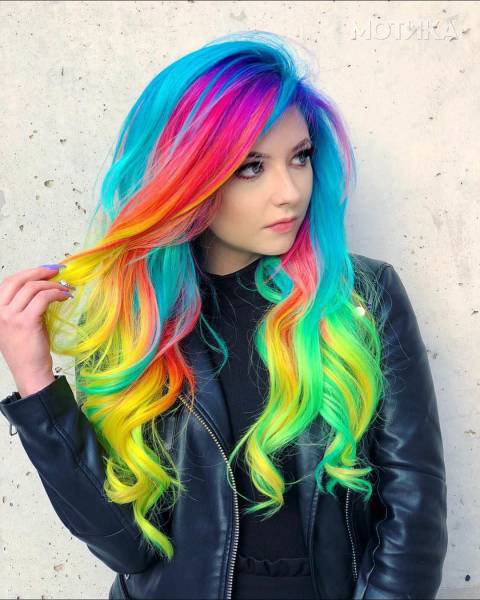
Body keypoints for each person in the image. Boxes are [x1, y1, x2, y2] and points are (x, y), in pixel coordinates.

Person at [0, 31, 447, 600]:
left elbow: (414, 514)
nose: (290, 192)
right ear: (184, 177)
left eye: (300, 157)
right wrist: (37, 385)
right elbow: (126, 549)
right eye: (251, 167)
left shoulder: (360, 296)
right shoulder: (133, 316)